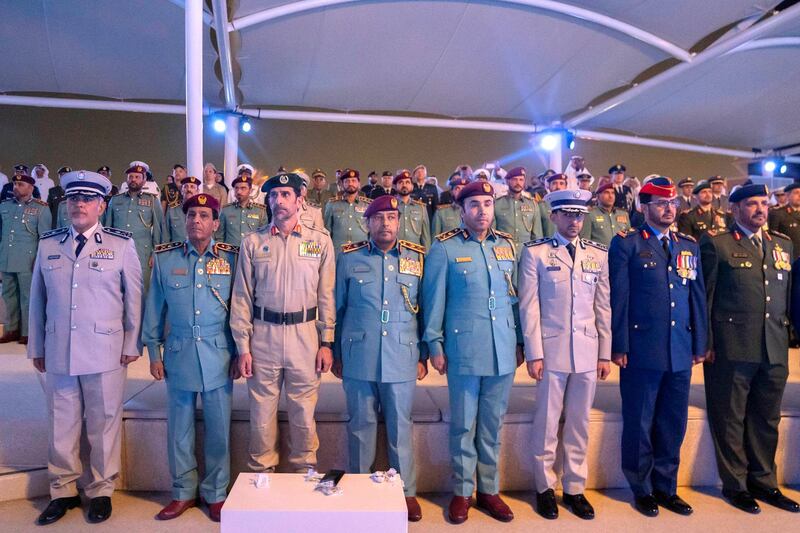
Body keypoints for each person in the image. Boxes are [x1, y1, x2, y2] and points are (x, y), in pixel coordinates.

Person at [28, 170, 143, 525]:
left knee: (103, 422)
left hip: (105, 349)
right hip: (60, 347)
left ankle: (101, 490)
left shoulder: (121, 245)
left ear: (102, 205)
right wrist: (37, 345)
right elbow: (37, 299)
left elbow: (134, 298)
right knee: (61, 423)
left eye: (88, 199)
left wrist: (132, 340)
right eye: (74, 199)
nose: (79, 204)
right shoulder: (49, 244)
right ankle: (62, 491)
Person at [422, 181, 523, 525]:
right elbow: (433, 302)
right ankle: (463, 491)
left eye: (488, 204)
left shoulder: (509, 247)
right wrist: (434, 344)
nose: (482, 211)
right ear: (461, 211)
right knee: (464, 425)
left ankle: (489, 491)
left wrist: (521, 341)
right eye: (475, 205)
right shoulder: (445, 248)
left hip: (503, 350)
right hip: (463, 349)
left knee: (492, 426)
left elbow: (517, 300)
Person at [609, 177, 707, 517]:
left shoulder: (688, 245)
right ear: (644, 207)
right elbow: (619, 298)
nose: (669, 209)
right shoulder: (628, 243)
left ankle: (666, 486)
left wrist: (700, 343)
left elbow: (696, 296)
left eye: (673, 204)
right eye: (661, 204)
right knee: (639, 420)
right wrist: (618, 344)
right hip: (641, 347)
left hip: (679, 347)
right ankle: (641, 487)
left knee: (672, 421)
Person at [701, 183, 799, 515]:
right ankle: (736, 485)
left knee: (766, 419)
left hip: (774, 347)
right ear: (735, 209)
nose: (760, 209)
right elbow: (706, 299)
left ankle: (764, 481)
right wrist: (707, 343)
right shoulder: (719, 245)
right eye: (752, 204)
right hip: (732, 348)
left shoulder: (781, 245)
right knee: (730, 418)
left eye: (764, 203)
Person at [143, 193, 239, 523]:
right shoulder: (166, 259)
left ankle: (216, 493)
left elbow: (240, 311)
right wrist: (153, 351)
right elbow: (155, 308)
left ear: (215, 223)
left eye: (203, 215)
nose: (196, 220)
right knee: (179, 429)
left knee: (218, 429)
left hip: (219, 355)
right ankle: (183, 491)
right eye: (191, 215)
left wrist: (241, 351)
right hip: (180, 353)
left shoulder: (231, 259)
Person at [231, 172, 335, 473]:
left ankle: (304, 470)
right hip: (264, 335)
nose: (278, 201)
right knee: (261, 414)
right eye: (273, 196)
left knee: (303, 413)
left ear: (300, 200)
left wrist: (326, 342)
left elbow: (326, 294)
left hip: (305, 336)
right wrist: (243, 347)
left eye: (285, 195)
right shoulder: (253, 242)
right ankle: (262, 473)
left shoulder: (320, 242)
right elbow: (242, 298)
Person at [333, 195, 428, 522]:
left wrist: (424, 354)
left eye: (391, 217)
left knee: (401, 426)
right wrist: (335, 352)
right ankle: (360, 489)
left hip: (402, 353)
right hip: (358, 353)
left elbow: (425, 310)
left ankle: (405, 491)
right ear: (367, 223)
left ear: (398, 222)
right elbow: (338, 308)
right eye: (379, 218)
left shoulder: (416, 258)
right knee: (360, 425)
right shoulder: (349, 258)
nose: (385, 223)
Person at [518, 188, 611, 521]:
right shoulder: (537, 254)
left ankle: (574, 488)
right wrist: (534, 353)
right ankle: (544, 487)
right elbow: (529, 307)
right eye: (568, 214)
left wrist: (604, 353)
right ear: (553, 216)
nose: (575, 221)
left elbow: (603, 306)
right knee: (546, 422)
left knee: (579, 423)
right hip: (552, 349)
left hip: (587, 349)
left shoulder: (597, 254)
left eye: (580, 215)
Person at [0, 173, 52, 344]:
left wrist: (40, 260)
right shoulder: (5, 206)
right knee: (8, 296)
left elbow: (45, 238)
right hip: (6, 258)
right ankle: (11, 329)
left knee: (28, 297)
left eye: (21, 184)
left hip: (28, 260)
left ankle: (28, 332)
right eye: (15, 184)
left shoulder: (41, 208)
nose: (16, 187)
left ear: (31, 188)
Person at [104, 164, 163, 289]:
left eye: (137, 177)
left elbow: (158, 229)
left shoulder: (152, 200)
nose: (133, 179)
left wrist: (155, 253)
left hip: (143, 253)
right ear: (127, 179)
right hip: (117, 251)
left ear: (144, 180)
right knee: (117, 288)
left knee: (143, 289)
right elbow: (107, 228)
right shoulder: (115, 200)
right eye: (131, 177)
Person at [493, 167, 542, 252]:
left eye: (521, 180)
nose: (518, 183)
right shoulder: (497, 203)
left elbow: (537, 235)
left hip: (526, 253)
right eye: (514, 180)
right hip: (503, 252)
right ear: (508, 181)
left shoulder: (532, 204)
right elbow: (492, 233)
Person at [323, 168, 371, 254]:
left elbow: (372, 232)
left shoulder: (368, 205)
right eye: (347, 181)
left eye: (353, 181)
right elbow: (327, 232)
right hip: (338, 253)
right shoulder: (332, 204)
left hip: (362, 253)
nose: (350, 184)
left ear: (359, 184)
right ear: (342, 184)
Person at [216, 173, 266, 246]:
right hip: (229, 255)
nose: (239, 191)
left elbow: (264, 238)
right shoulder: (226, 210)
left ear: (250, 190)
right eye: (236, 188)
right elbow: (219, 237)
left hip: (252, 255)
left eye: (243, 188)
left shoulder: (260, 211)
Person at [393, 170, 431, 248]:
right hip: (395, 252)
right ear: (395, 187)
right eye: (401, 182)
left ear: (412, 186)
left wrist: (427, 257)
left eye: (407, 182)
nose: (404, 185)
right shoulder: (390, 206)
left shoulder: (421, 208)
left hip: (415, 254)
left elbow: (426, 237)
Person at [767, 182, 800, 260]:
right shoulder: (777, 214)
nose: (799, 195)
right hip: (789, 258)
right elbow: (772, 239)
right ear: (787, 195)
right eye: (796, 193)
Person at [162, 176, 200, 243]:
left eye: (192, 187)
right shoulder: (172, 209)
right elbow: (165, 236)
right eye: (186, 187)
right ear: (181, 191)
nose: (189, 189)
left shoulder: (203, 211)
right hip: (177, 251)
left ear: (198, 191)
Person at [540, 173, 568, 238]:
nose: (558, 187)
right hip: (547, 245)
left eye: (561, 183)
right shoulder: (541, 206)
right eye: (554, 183)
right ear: (549, 186)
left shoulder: (571, 205)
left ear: (566, 187)